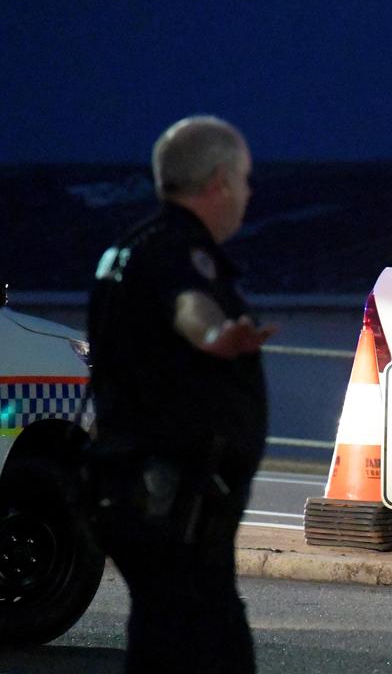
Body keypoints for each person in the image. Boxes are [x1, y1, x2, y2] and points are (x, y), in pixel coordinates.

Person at [87, 115, 274, 673]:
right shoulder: (179, 254)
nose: (248, 192)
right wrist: (217, 335)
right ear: (219, 181)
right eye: (244, 179)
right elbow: (190, 305)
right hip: (175, 497)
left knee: (159, 631)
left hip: (134, 484)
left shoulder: (125, 249)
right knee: (206, 643)